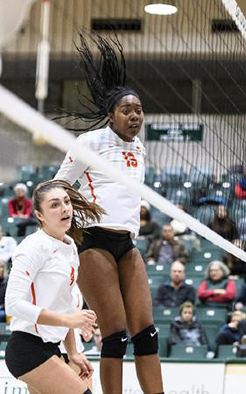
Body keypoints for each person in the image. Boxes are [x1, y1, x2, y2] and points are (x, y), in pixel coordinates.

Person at [53, 33, 164, 394]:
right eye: (127, 110)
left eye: (139, 110)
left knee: (146, 334)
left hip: (127, 243)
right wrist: (76, 215)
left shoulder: (141, 149)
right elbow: (56, 187)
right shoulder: (90, 143)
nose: (134, 116)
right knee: (115, 335)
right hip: (94, 241)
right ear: (111, 115)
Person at [4, 180, 100, 394]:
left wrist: (73, 352)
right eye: (54, 205)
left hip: (51, 346)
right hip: (27, 348)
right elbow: (12, 305)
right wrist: (69, 320)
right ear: (39, 215)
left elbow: (64, 305)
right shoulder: (32, 247)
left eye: (66, 202)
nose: (65, 208)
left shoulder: (70, 246)